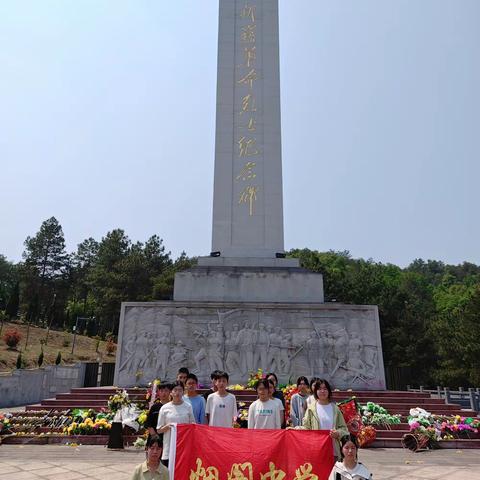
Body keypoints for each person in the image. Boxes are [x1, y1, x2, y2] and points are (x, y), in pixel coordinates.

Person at [301, 379, 348, 460]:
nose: (322, 391)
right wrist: (294, 429)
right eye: (319, 389)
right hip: (317, 451)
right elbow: (306, 428)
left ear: (329, 391)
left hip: (333, 452)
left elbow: (344, 429)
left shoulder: (335, 409)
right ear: (315, 391)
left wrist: (338, 433)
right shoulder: (311, 409)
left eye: (325, 389)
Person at [157, 381, 195, 467]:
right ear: (171, 392)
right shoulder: (164, 408)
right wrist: (168, 427)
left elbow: (193, 426)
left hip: (184, 447)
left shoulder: (188, 406)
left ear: (183, 392)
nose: (177, 393)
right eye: (175, 390)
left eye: (180, 390)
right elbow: (159, 430)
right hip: (169, 447)